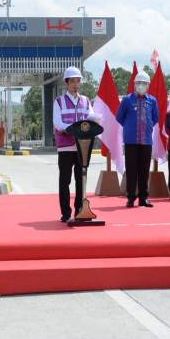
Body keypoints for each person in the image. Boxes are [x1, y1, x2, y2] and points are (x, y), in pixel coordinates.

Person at [53, 66, 98, 222]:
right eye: (73, 81)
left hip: (82, 147)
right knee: (65, 181)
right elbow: (58, 123)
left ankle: (80, 210)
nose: (76, 84)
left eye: (78, 81)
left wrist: (98, 117)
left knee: (81, 179)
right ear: (67, 83)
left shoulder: (85, 100)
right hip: (66, 147)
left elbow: (91, 116)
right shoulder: (59, 101)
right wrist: (72, 130)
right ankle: (65, 213)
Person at [116, 70, 159, 208]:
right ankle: (130, 198)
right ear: (134, 85)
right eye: (138, 83)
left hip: (146, 141)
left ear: (148, 85)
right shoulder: (127, 100)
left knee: (144, 170)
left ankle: (143, 198)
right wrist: (130, 127)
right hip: (130, 141)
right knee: (131, 169)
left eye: (144, 83)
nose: (141, 85)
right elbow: (120, 118)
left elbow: (155, 118)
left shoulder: (152, 100)